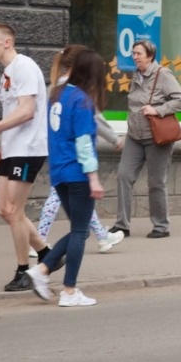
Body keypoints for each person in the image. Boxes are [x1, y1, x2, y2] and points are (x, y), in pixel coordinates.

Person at [0, 22, 53, 292]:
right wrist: (4, 143)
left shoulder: (24, 66)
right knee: (5, 210)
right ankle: (47, 254)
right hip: (13, 148)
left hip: (28, 149)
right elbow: (12, 114)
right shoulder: (7, 72)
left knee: (15, 211)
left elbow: (27, 111)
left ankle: (23, 271)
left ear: (7, 42)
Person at [25, 49, 108, 307]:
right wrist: (93, 178)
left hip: (59, 171)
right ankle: (69, 290)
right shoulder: (82, 100)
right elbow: (83, 143)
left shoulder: (57, 94)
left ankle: (42, 270)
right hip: (78, 172)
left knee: (78, 231)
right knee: (80, 232)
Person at [34, 45, 124, 254]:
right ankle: (39, 242)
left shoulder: (55, 88)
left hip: (58, 154)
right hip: (72, 158)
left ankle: (101, 236)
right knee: (69, 207)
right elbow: (92, 122)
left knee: (78, 204)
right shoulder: (76, 92)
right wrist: (113, 138)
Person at [108, 39, 181, 240]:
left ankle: (161, 226)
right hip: (134, 136)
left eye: (138, 53)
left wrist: (157, 110)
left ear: (150, 56)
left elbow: (180, 99)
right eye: (133, 53)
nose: (134, 57)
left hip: (156, 137)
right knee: (124, 176)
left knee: (156, 182)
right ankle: (122, 225)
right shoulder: (136, 75)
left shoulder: (163, 74)